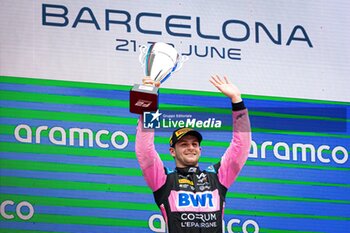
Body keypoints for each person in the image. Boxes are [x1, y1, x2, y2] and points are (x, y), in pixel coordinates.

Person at [135, 75, 251, 233]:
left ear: (200, 150)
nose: (190, 147)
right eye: (183, 144)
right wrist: (150, 104)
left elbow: (241, 147)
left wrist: (237, 101)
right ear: (172, 151)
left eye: (194, 144)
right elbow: (145, 150)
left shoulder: (217, 177)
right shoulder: (164, 180)